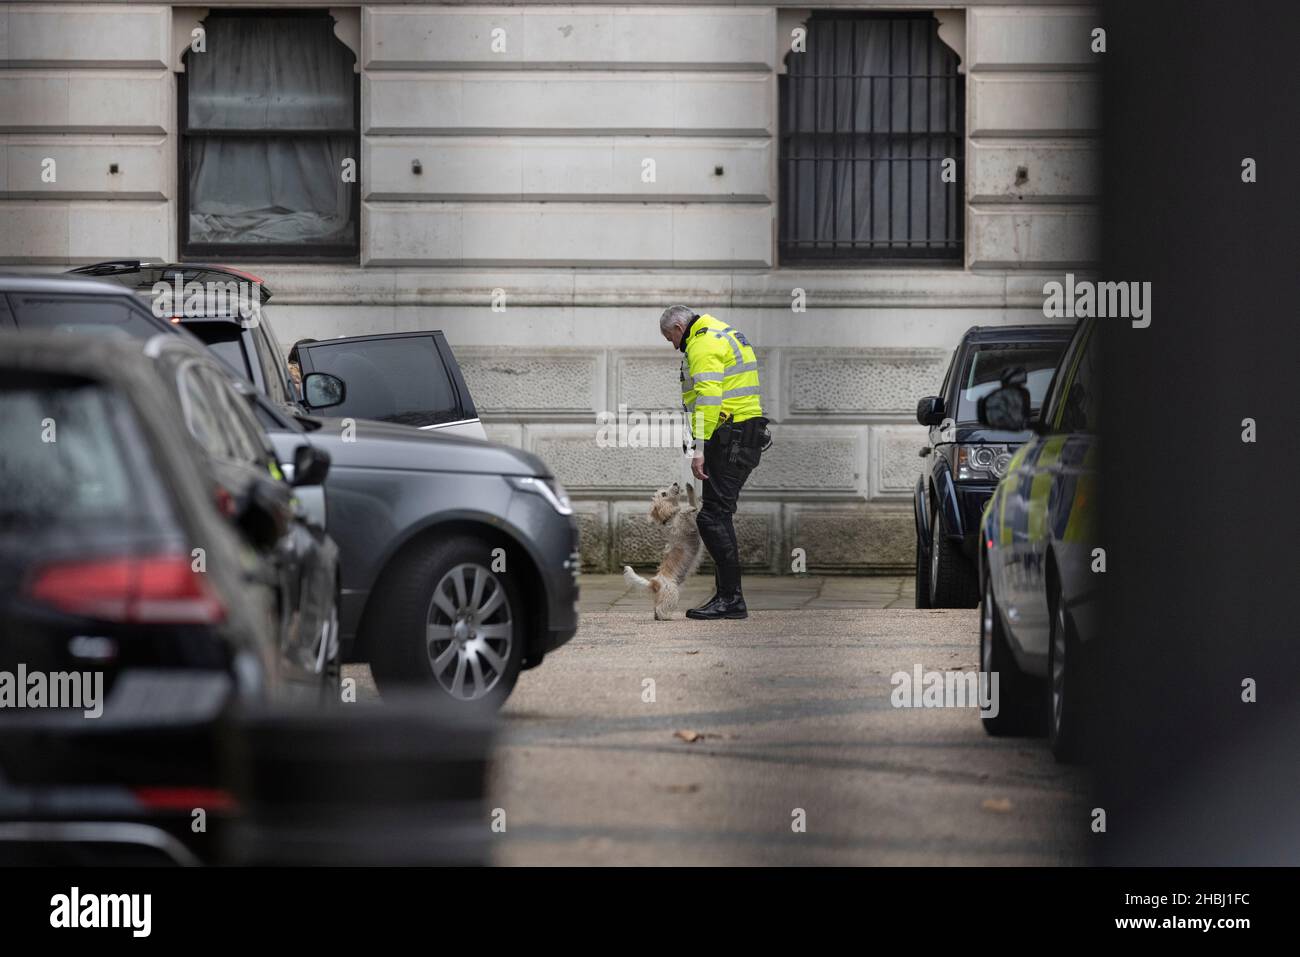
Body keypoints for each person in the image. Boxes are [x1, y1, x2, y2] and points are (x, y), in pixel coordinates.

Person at [659, 305, 770, 620]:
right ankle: (727, 597)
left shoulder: (703, 342)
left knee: (712, 518)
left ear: (680, 326)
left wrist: (699, 446)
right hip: (740, 432)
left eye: (671, 337)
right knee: (718, 515)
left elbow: (709, 396)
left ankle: (731, 599)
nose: (673, 344)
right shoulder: (722, 331)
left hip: (731, 435)